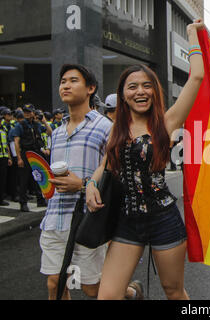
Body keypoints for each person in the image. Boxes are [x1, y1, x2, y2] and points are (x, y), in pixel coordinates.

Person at [86, 19, 205, 300]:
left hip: (163, 218)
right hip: (127, 221)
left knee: (173, 291)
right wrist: (91, 184)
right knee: (107, 296)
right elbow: (105, 165)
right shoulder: (118, 129)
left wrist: (191, 35)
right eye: (132, 87)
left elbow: (197, 77)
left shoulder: (167, 121)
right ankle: (134, 293)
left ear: (154, 91)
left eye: (146, 86)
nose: (140, 91)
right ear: (123, 96)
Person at [40, 64, 142, 300]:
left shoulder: (106, 127)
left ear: (90, 89)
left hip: (89, 219)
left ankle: (130, 293)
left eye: (73, 80)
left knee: (91, 288)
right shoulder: (56, 132)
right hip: (55, 217)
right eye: (63, 81)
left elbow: (117, 176)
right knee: (55, 283)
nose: (66, 85)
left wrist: (83, 185)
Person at [12, 105, 52, 211]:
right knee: (24, 179)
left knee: (38, 177)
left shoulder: (37, 125)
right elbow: (16, 142)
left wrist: (44, 121)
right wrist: (19, 158)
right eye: (25, 112)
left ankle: (40, 200)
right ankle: (23, 203)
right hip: (26, 153)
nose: (27, 114)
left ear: (33, 113)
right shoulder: (20, 125)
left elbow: (50, 132)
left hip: (37, 152)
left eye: (29, 112)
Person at [0, 125, 12, 205]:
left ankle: (1, 199)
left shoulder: (3, 130)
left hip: (3, 158)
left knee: (2, 179)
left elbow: (6, 145)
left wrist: (9, 157)